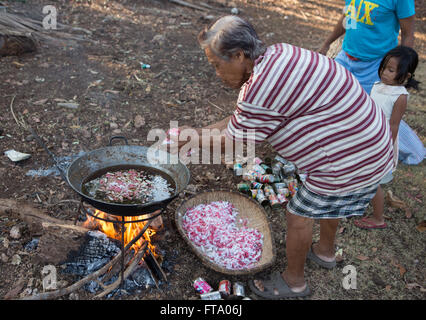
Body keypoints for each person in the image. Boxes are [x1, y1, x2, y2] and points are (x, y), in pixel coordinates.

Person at [174, 15, 394, 299]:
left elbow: (234, 142)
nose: (217, 73)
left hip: (350, 155)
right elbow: (239, 122)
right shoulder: (279, 54)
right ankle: (325, 253)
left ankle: (294, 282)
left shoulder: (260, 88)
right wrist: (196, 133)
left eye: (217, 65)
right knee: (327, 199)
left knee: (298, 213)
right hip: (369, 139)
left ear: (239, 55)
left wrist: (190, 138)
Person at [319, 0, 424, 166]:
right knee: (329, 99)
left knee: (377, 115)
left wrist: (401, 72)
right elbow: (348, 16)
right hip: (346, 56)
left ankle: (413, 151)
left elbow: (408, 33)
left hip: (376, 65)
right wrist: (327, 43)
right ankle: (332, 148)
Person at [354, 46, 420, 229]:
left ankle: (378, 218)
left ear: (406, 76)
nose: (384, 73)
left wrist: (385, 148)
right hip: (366, 138)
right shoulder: (377, 85)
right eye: (384, 68)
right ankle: (357, 202)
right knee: (361, 172)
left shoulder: (399, 96)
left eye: (390, 70)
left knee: (373, 183)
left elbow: (394, 125)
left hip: (381, 144)